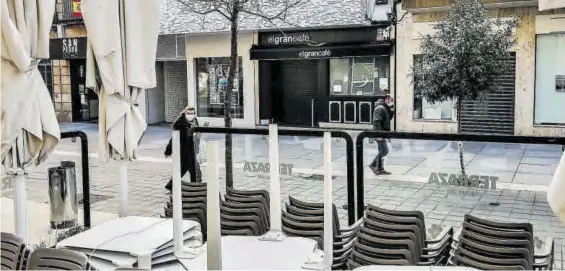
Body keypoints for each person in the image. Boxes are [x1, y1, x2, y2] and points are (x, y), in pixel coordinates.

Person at [164, 106, 202, 191]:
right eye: (188, 113)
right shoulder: (180, 124)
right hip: (185, 151)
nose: (191, 115)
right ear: (184, 113)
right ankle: (195, 186)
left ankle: (171, 185)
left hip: (193, 149)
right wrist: (168, 151)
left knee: (188, 170)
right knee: (193, 170)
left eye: (192, 113)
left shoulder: (195, 122)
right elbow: (173, 139)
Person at [369, 94, 395, 175]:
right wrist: (379, 134)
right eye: (390, 100)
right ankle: (373, 165)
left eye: (392, 101)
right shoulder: (380, 108)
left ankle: (380, 168)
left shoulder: (384, 107)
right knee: (384, 150)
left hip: (382, 133)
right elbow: (377, 121)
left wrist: (391, 110)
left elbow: (388, 119)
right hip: (379, 133)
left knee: (382, 150)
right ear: (386, 99)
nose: (391, 102)